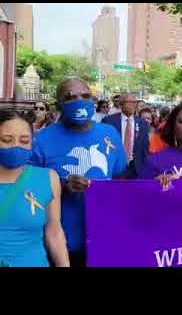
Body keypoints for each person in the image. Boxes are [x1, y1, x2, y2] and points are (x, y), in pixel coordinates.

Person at [30, 78, 127, 267]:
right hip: (62, 244)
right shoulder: (41, 140)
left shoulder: (110, 133)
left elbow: (120, 177)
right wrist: (63, 186)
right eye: (70, 97)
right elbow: (29, 191)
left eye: (85, 96)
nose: (79, 101)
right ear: (58, 104)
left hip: (105, 237)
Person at [0, 110, 69, 267]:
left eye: (24, 141)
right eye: (6, 140)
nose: (15, 146)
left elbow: (54, 231)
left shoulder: (48, 178)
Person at [102, 93, 150, 179]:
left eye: (134, 102)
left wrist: (146, 169)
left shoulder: (143, 124)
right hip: (115, 167)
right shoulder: (109, 121)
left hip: (135, 169)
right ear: (121, 104)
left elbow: (145, 149)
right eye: (129, 102)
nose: (133, 105)